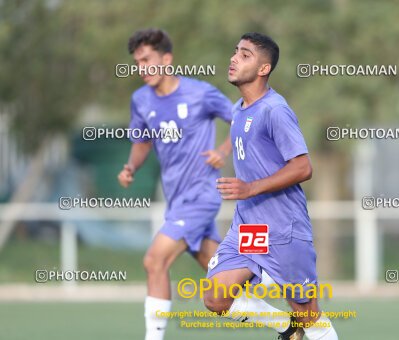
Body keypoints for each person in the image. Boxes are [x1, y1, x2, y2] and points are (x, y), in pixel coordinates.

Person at [203, 32, 339, 340]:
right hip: (250, 228)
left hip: (283, 228)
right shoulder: (239, 109)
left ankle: (303, 325)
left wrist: (250, 188)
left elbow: (303, 167)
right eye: (235, 51)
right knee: (215, 297)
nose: (234, 58)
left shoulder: (275, 110)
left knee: (308, 313)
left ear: (264, 69)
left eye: (246, 55)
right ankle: (288, 328)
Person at [117, 28, 232, 340]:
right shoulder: (140, 100)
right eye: (137, 63)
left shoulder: (200, 93)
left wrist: (222, 151)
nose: (142, 68)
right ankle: (288, 324)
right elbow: (142, 142)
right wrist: (131, 167)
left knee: (154, 260)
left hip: (202, 196)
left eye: (147, 60)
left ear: (166, 59)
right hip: (177, 201)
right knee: (224, 285)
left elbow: (243, 118)